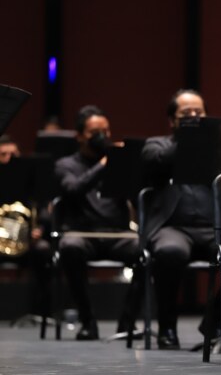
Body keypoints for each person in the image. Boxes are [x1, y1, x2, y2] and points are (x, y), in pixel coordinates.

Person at [54, 105, 142, 340]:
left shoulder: (119, 162)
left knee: (149, 251)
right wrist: (104, 165)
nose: (103, 137)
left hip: (118, 235)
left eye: (106, 131)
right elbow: (72, 189)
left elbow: (137, 195)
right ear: (80, 136)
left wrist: (130, 166)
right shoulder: (66, 165)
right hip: (83, 235)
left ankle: (126, 323)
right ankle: (87, 321)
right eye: (95, 132)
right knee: (69, 246)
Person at [141, 89, 219, 350]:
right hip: (172, 228)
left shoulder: (217, 148)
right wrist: (188, 138)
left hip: (213, 227)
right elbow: (155, 162)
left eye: (199, 112)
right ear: (172, 120)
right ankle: (167, 327)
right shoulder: (157, 145)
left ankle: (214, 323)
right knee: (170, 252)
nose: (195, 117)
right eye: (186, 114)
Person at [0, 135, 53, 319]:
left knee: (45, 250)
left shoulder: (31, 180)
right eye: (4, 154)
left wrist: (40, 229)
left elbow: (43, 212)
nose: (9, 159)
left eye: (14, 154)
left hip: (26, 242)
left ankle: (41, 313)